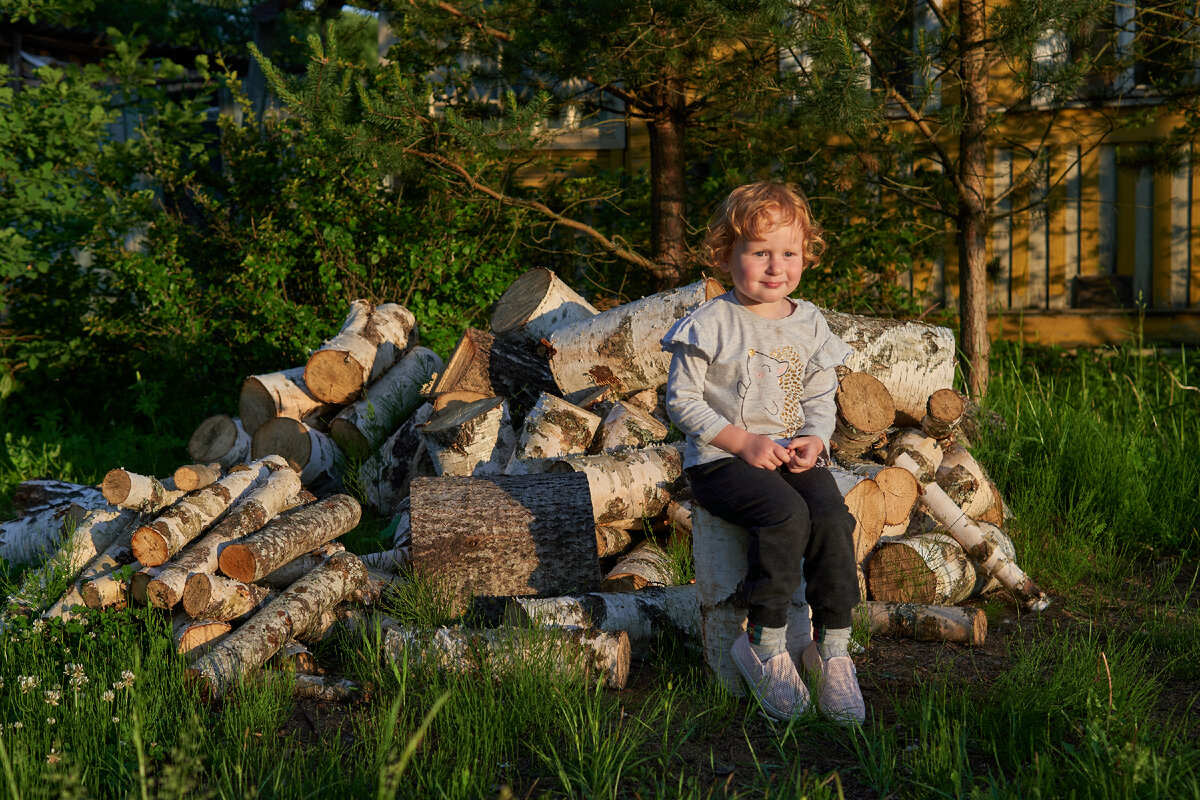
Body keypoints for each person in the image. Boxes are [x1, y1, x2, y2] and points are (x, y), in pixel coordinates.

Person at [661, 181, 864, 724]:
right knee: (784, 514)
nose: (776, 267)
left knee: (831, 517)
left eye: (789, 253)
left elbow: (821, 394)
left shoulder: (810, 321)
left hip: (791, 455)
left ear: (806, 255)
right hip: (720, 461)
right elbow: (680, 401)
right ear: (726, 256)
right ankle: (766, 646)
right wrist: (740, 441)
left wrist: (816, 440)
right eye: (759, 252)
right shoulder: (711, 324)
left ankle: (833, 650)